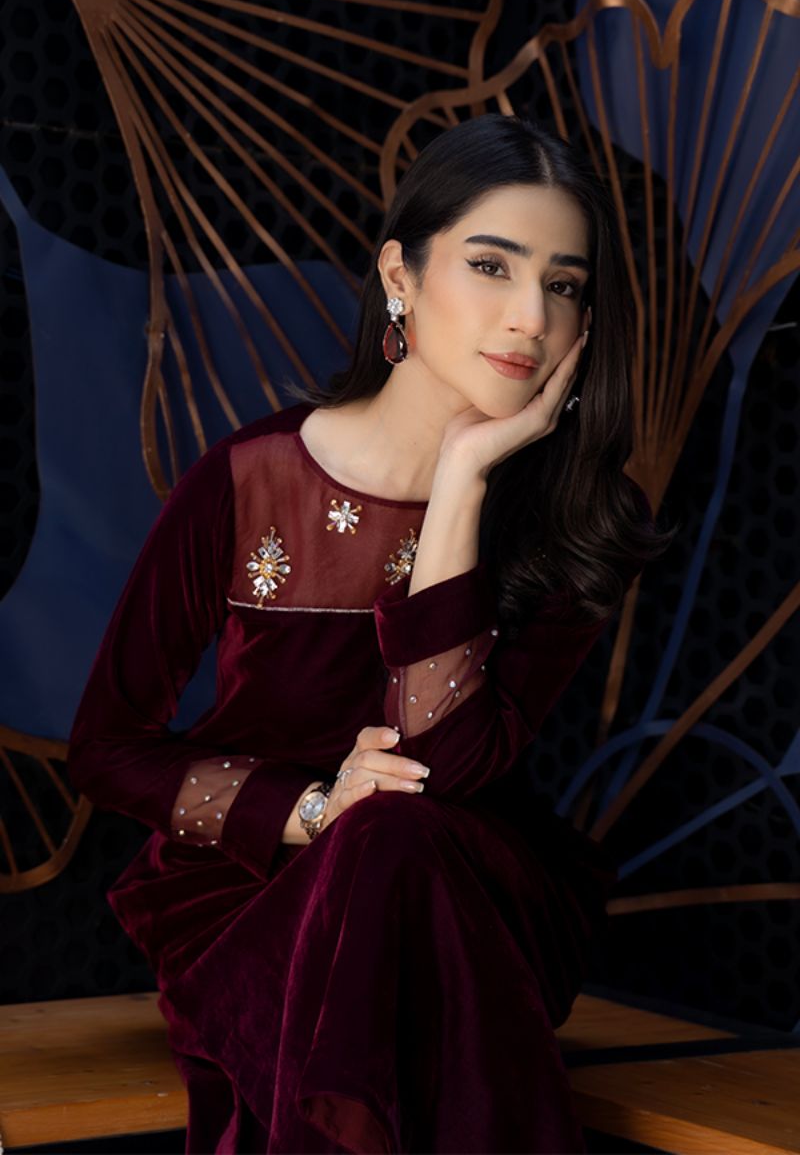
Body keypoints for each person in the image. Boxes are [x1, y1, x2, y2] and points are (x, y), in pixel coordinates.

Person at [67, 112, 667, 1154]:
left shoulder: (573, 516)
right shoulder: (246, 484)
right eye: (491, 265)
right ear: (400, 275)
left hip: (471, 892)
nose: (530, 316)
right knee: (374, 848)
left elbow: (445, 767)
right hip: (254, 896)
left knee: (393, 836)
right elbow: (106, 748)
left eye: (565, 285)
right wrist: (312, 811)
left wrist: (461, 484)